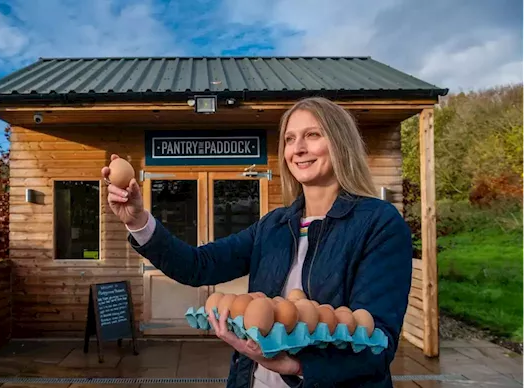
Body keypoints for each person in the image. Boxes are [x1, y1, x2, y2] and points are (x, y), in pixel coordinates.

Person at [101, 97, 413, 387]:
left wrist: (295, 366)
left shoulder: (378, 223)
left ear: (340, 142)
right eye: (290, 139)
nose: (298, 148)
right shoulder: (273, 226)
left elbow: (378, 342)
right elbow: (197, 266)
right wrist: (137, 221)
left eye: (313, 135)